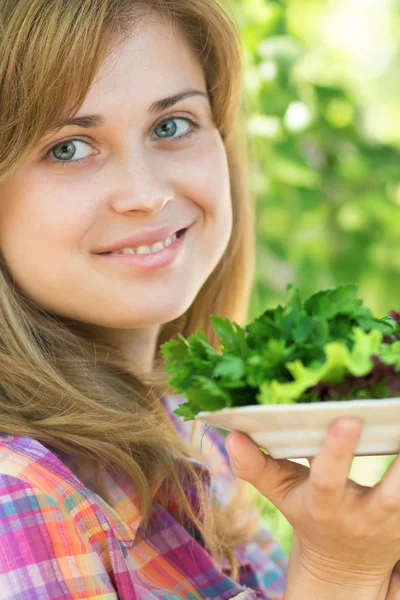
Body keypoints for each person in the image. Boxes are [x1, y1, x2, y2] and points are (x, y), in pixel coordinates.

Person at [0, 1, 399, 599]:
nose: (145, 194)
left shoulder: (198, 436)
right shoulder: (18, 494)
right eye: (69, 148)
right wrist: (339, 573)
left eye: (171, 126)